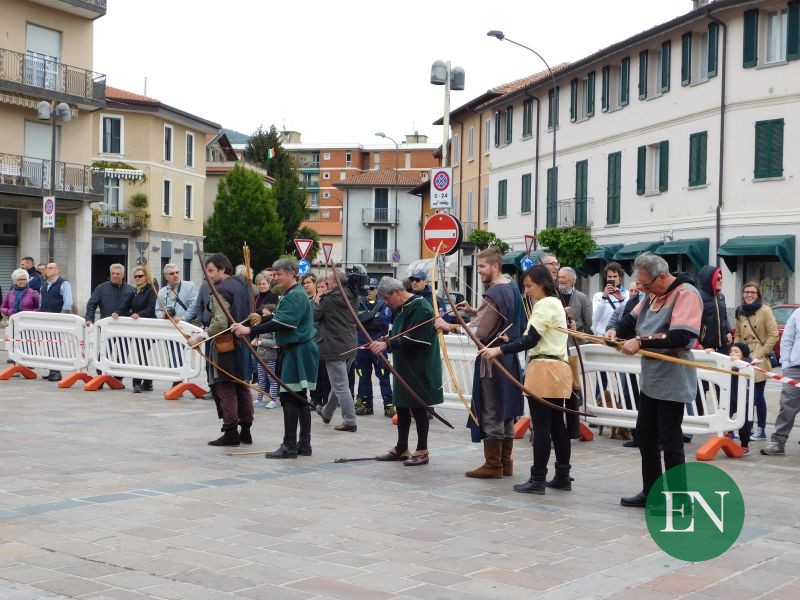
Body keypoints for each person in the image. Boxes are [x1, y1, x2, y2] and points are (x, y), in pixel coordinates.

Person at [607, 253, 702, 509]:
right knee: (646, 436)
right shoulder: (653, 294)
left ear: (661, 277)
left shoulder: (686, 294)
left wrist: (640, 341)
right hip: (651, 377)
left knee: (670, 441)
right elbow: (631, 320)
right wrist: (615, 330)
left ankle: (680, 500)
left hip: (673, 374)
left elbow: (680, 336)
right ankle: (652, 492)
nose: (642, 290)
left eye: (645, 285)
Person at [479, 265, 571, 494]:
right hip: (558, 367)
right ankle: (562, 475)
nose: (527, 291)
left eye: (529, 286)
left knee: (541, 427)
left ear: (542, 284)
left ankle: (537, 479)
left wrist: (499, 350)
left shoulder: (544, 305)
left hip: (544, 369)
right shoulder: (556, 303)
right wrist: (511, 340)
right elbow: (538, 337)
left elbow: (531, 340)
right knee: (557, 425)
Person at [443, 247, 523, 479]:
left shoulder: (494, 293)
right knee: (506, 409)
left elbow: (480, 331)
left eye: (482, 266)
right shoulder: (512, 287)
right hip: (508, 358)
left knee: (492, 409)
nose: (479, 271)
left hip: (492, 360)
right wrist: (473, 311)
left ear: (495, 266)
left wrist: (451, 326)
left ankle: (493, 465)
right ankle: (505, 463)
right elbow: (497, 319)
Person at [234, 257, 318, 459]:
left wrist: (250, 330)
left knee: (290, 397)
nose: (275, 278)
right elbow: (279, 316)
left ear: (292, 273)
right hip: (297, 349)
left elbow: (283, 323)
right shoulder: (292, 293)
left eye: (279, 274)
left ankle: (290, 446)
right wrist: (261, 318)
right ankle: (303, 444)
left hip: (298, 349)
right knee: (299, 397)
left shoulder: (295, 295)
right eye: (274, 274)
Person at [369, 277, 442, 466]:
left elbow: (417, 338)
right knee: (401, 405)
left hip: (419, 364)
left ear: (397, 292)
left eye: (387, 298)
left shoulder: (421, 307)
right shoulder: (400, 308)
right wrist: (387, 339)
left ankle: (422, 450)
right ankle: (402, 447)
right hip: (405, 364)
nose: (387, 303)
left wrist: (387, 344)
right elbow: (399, 332)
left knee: (418, 406)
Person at [187, 254, 253, 447]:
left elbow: (220, 322)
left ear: (223, 269)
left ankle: (231, 432)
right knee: (241, 386)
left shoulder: (222, 289)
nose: (208, 275)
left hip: (226, 345)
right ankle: (245, 431)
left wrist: (200, 337)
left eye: (211, 271)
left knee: (225, 387)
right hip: (242, 344)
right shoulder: (241, 285)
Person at [315, 269, 359, 432]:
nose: (326, 282)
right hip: (350, 344)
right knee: (339, 382)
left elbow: (314, 316)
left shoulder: (329, 299)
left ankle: (350, 421)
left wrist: (316, 301)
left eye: (328, 279)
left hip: (334, 346)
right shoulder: (353, 295)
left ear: (335, 282)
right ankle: (327, 412)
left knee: (340, 385)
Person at [734, 281, 778, 442]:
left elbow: (773, 335)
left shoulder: (765, 310)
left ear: (758, 295)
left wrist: (759, 355)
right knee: (745, 396)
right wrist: (737, 351)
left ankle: (761, 429)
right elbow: (738, 334)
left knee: (757, 395)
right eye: (746, 292)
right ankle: (748, 427)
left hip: (759, 358)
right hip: (744, 358)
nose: (749, 295)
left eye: (753, 292)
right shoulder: (740, 311)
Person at [762, 307, 800, 456]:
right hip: (795, 368)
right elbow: (787, 339)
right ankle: (778, 441)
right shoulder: (797, 313)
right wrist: (786, 364)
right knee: (787, 405)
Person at [354, 277, 394, 417]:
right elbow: (356, 320)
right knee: (363, 377)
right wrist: (373, 317)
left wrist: (366, 319)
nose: (369, 291)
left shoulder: (384, 304)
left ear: (377, 290)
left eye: (372, 289)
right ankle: (366, 405)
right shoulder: (358, 302)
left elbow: (383, 321)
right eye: (366, 289)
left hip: (379, 347)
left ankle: (389, 406)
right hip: (361, 347)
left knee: (383, 376)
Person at [117, 265, 157, 394]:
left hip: (148, 328)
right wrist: (117, 312)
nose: (138, 278)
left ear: (146, 277)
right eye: (136, 276)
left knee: (141, 354)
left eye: (140, 276)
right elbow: (125, 304)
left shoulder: (151, 290)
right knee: (141, 354)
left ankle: (137, 382)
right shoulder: (135, 291)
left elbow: (152, 308)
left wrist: (139, 314)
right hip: (138, 328)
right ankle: (147, 382)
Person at [39, 262, 74, 381]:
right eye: (46, 268)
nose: (47, 270)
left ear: (57, 270)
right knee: (48, 345)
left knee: (55, 345)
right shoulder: (44, 284)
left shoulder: (64, 283)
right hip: (45, 318)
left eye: (50, 268)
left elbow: (68, 303)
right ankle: (51, 370)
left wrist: (61, 317)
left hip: (57, 319)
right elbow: (41, 302)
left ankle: (56, 372)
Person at [254, 273, 280, 408]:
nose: (261, 286)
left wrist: (261, 342)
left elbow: (276, 343)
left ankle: (273, 398)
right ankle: (259, 398)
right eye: (259, 284)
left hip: (269, 355)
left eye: (264, 283)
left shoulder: (273, 297)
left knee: (271, 377)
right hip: (260, 355)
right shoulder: (257, 297)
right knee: (261, 378)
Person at [696, 265, 732, 353]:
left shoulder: (721, 296)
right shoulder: (697, 297)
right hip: (706, 348)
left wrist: (728, 331)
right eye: (718, 278)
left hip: (723, 346)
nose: (721, 281)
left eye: (721, 278)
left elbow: (724, 317)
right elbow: (693, 322)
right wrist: (697, 344)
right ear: (709, 279)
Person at [727, 342, 754, 455]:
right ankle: (727, 434)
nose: (732, 353)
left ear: (743, 355)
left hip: (743, 398)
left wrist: (737, 362)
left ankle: (744, 444)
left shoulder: (746, 363)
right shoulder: (727, 361)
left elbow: (748, 367)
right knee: (725, 415)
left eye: (736, 351)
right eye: (731, 351)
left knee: (745, 422)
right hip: (729, 396)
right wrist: (709, 352)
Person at [591, 262, 628, 335]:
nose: (612, 279)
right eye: (610, 277)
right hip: (602, 335)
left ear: (620, 277)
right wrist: (604, 297)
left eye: (615, 276)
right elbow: (596, 319)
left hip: (620, 335)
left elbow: (627, 316)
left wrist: (621, 300)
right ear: (606, 278)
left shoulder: (627, 294)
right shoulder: (598, 296)